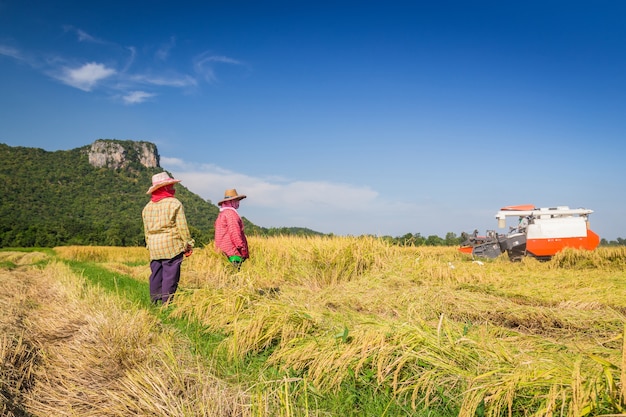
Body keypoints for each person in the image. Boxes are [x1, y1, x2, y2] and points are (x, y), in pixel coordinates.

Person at [142, 172, 194, 305]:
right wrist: (188, 244)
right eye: (170, 185)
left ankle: (155, 300)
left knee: (156, 273)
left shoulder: (147, 207)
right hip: (171, 245)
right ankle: (167, 302)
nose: (172, 188)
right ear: (165, 187)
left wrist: (149, 244)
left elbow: (146, 230)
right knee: (170, 275)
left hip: (154, 246)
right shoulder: (174, 203)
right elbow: (182, 227)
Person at [214, 189, 249, 269]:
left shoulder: (222, 214)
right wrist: (241, 247)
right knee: (234, 276)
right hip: (232, 252)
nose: (238, 202)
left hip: (221, 250)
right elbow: (234, 232)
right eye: (236, 200)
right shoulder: (231, 214)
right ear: (231, 201)